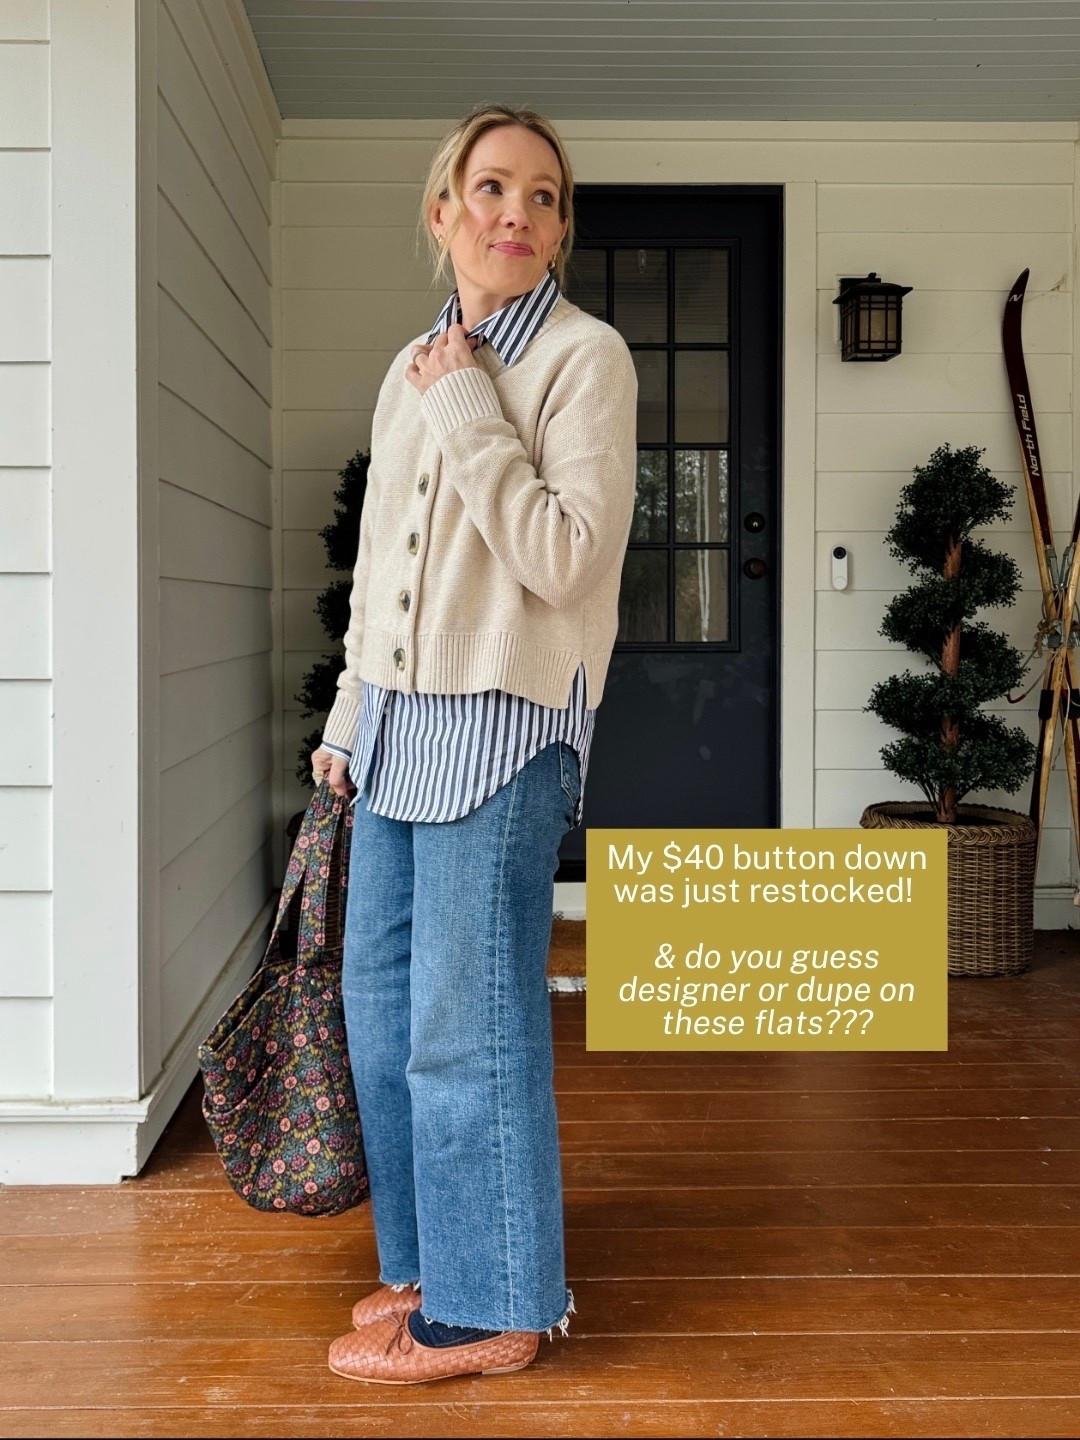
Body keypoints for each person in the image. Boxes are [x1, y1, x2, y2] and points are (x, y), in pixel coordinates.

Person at [311, 103, 638, 1386]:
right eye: (492, 188)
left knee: (468, 1024)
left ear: (558, 229)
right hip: (395, 726)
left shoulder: (581, 357)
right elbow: (382, 567)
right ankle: (426, 1265)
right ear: (442, 210)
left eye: (545, 197)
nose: (519, 213)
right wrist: (349, 715)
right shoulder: (417, 364)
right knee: (380, 1008)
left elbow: (566, 554)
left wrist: (469, 412)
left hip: (501, 725)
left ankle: (493, 1303)